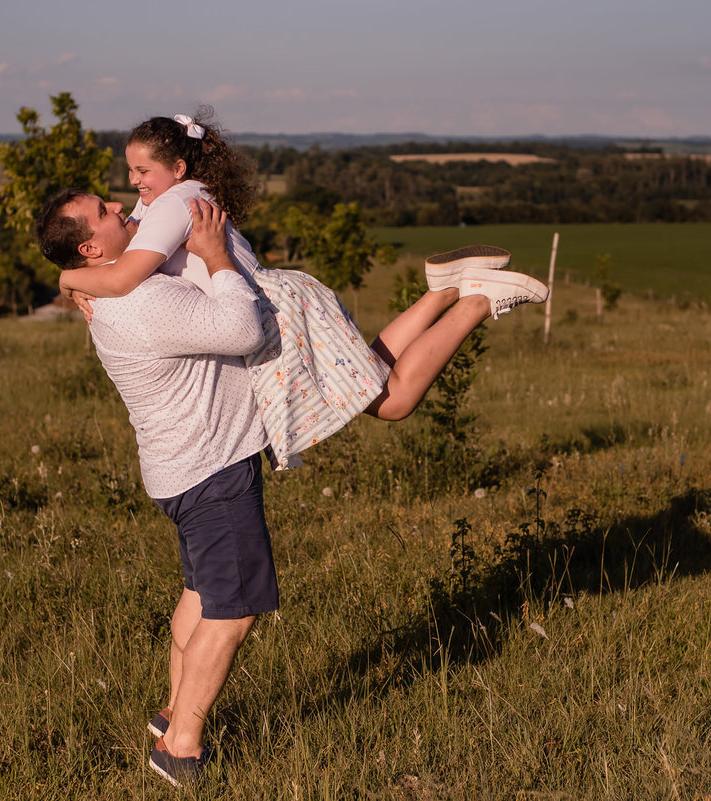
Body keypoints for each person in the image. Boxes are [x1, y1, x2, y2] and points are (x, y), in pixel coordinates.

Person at [56, 110, 549, 470]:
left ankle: (476, 300)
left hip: (273, 313)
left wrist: (68, 278)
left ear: (178, 168)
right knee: (372, 373)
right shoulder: (167, 198)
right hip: (281, 301)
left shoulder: (173, 204)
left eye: (142, 172)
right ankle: (442, 291)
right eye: (130, 170)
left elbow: (121, 277)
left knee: (392, 400)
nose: (132, 183)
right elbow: (125, 239)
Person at [36, 193, 270, 787]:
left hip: (177, 471)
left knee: (200, 594)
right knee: (233, 610)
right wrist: (217, 256)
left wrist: (69, 279)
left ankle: (171, 710)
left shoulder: (114, 291)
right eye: (104, 209)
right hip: (212, 470)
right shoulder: (142, 298)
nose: (121, 203)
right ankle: (180, 749)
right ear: (92, 247)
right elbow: (244, 329)